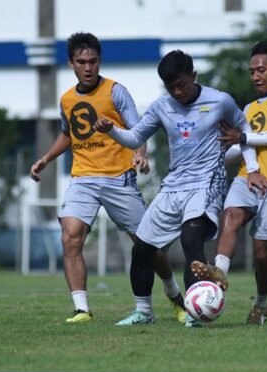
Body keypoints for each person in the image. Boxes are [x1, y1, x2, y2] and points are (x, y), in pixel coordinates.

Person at [94, 50, 267, 327]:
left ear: (193, 76)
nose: (177, 92)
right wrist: (111, 130)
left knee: (191, 239)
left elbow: (244, 129)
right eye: (170, 87)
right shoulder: (162, 106)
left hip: (206, 183)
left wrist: (253, 169)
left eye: (181, 85)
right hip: (174, 185)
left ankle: (194, 312)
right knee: (141, 249)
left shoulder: (220, 101)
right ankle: (143, 312)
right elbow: (136, 136)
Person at [30, 32, 185, 324]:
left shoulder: (115, 91)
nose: (88, 68)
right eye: (81, 62)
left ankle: (174, 294)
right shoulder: (66, 99)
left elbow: (138, 129)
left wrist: (141, 154)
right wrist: (46, 159)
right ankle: (81, 309)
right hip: (83, 178)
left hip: (118, 178)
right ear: (71, 64)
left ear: (99, 61)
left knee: (146, 245)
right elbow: (68, 133)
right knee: (70, 237)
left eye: (93, 61)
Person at [191, 40, 267, 325]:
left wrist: (242, 137)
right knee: (230, 216)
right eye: (252, 71)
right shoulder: (249, 108)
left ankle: (261, 304)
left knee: (262, 254)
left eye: (261, 70)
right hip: (247, 177)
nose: (255, 76)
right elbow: (241, 147)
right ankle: (219, 276)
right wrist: (216, 151)